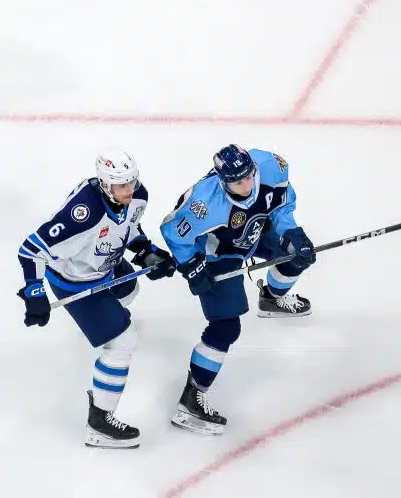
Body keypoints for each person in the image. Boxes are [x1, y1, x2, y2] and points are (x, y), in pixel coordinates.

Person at [16, 150, 176, 448]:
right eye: (121, 186)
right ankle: (99, 423)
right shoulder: (82, 214)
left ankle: (103, 325)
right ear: (104, 184)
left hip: (106, 265)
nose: (129, 190)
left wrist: (146, 250)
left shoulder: (138, 195)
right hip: (75, 282)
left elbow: (129, 226)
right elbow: (30, 250)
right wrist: (34, 291)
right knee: (123, 342)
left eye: (131, 182)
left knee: (130, 290)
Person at [159, 144, 316, 435]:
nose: (246, 184)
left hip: (254, 233)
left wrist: (290, 232)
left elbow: (281, 204)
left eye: (249, 176)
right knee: (226, 327)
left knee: (296, 254)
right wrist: (191, 265)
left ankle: (271, 299)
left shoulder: (270, 166)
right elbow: (172, 231)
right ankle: (192, 398)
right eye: (237, 181)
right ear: (223, 181)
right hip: (219, 255)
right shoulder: (203, 203)